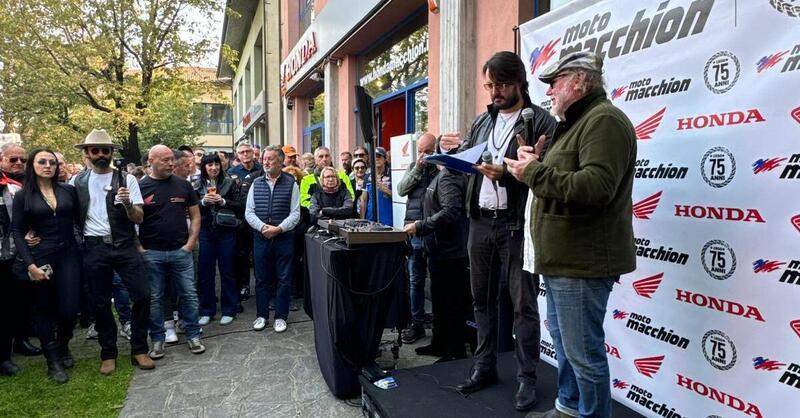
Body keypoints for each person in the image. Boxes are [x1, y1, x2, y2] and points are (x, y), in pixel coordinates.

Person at [505, 52, 637, 418]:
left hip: (583, 262)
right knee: (566, 346)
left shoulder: (604, 121)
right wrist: (532, 164)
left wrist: (533, 172)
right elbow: (562, 181)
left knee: (584, 355)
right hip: (563, 260)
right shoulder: (576, 123)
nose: (548, 91)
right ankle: (568, 407)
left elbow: (596, 187)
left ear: (578, 82)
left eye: (554, 82)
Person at [440, 51, 556, 412]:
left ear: (520, 81)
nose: (494, 92)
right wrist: (454, 160)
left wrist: (505, 174)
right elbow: (473, 163)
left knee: (523, 306)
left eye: (501, 84)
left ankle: (527, 378)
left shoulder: (541, 122)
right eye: (489, 85)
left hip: (517, 225)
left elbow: (549, 177)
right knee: (481, 300)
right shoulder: (481, 122)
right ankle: (484, 365)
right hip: (480, 222)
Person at [71, 129, 155, 375]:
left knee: (142, 295)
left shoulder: (126, 179)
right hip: (94, 246)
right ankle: (108, 353)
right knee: (99, 302)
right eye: (95, 150)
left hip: (124, 244)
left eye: (104, 150)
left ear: (111, 153)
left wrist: (128, 203)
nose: (100, 154)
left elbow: (139, 217)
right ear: (87, 153)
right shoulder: (77, 182)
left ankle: (139, 348)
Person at [11, 148, 82, 383]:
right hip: (41, 256)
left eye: (52, 162)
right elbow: (18, 232)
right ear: (33, 165)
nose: (48, 166)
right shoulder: (23, 196)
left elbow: (80, 222)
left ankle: (62, 345)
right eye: (42, 162)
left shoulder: (68, 190)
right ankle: (53, 360)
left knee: (70, 309)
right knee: (44, 309)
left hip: (69, 254)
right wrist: (30, 265)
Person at [139, 145, 205, 359]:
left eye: (171, 159)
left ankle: (193, 335)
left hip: (180, 251)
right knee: (155, 298)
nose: (171, 163)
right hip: (152, 253)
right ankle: (157, 340)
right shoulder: (141, 187)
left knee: (189, 294)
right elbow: (130, 220)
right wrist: (139, 248)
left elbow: (196, 216)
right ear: (151, 161)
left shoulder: (183, 185)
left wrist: (190, 243)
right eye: (165, 160)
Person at [403, 163, 471, 362]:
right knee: (439, 301)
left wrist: (421, 226)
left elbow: (450, 211)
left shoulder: (450, 175)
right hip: (438, 249)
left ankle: (454, 351)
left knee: (451, 303)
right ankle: (439, 344)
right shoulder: (442, 174)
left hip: (450, 252)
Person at [245, 146, 300, 333]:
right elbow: (249, 212)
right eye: (264, 158)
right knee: (261, 278)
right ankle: (261, 315)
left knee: (284, 278)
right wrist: (262, 228)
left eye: (270, 158)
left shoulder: (291, 183)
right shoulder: (256, 183)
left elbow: (295, 214)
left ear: (280, 161)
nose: (265, 162)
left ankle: (280, 316)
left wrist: (279, 229)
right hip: (261, 238)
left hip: (283, 237)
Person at [0, 144, 41, 358]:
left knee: (22, 300)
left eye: (23, 160)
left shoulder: (32, 184)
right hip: (3, 254)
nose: (18, 163)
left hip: (25, 253)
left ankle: (21, 340)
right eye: (13, 159)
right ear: (1, 160)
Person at [397, 133, 437, 343]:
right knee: (415, 280)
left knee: (439, 280)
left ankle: (440, 326)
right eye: (420, 151)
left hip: (436, 231)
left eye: (428, 151)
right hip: (414, 231)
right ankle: (417, 323)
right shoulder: (415, 166)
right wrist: (418, 168)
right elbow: (401, 189)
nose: (423, 155)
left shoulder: (443, 168)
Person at [195, 153, 242, 326]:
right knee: (205, 272)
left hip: (226, 231)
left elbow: (240, 205)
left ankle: (229, 309)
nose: (213, 168)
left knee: (228, 270)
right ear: (204, 167)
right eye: (209, 165)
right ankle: (207, 310)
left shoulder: (230, 182)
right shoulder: (197, 184)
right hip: (206, 232)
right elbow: (190, 208)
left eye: (216, 164)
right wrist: (202, 202)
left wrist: (223, 201)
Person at [228, 143, 263, 301]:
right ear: (238, 155)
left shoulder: (262, 169)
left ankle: (261, 285)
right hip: (241, 220)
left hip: (260, 218)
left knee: (259, 255)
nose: (245, 154)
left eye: (248, 151)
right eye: (242, 152)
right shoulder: (232, 173)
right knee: (241, 254)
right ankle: (244, 286)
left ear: (253, 153)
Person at [299, 146, 354, 210]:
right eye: (321, 156)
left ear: (331, 158)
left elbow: (351, 196)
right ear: (315, 160)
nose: (324, 159)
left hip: (341, 216)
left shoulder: (343, 176)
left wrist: (337, 211)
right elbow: (304, 201)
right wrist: (320, 211)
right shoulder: (306, 180)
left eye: (327, 156)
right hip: (317, 217)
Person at [360, 147, 392, 224]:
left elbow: (400, 198)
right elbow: (364, 200)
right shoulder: (367, 176)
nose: (376, 159)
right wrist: (362, 220)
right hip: (371, 219)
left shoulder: (392, 174)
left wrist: (385, 190)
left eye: (379, 156)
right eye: (374, 157)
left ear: (385, 159)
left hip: (389, 219)